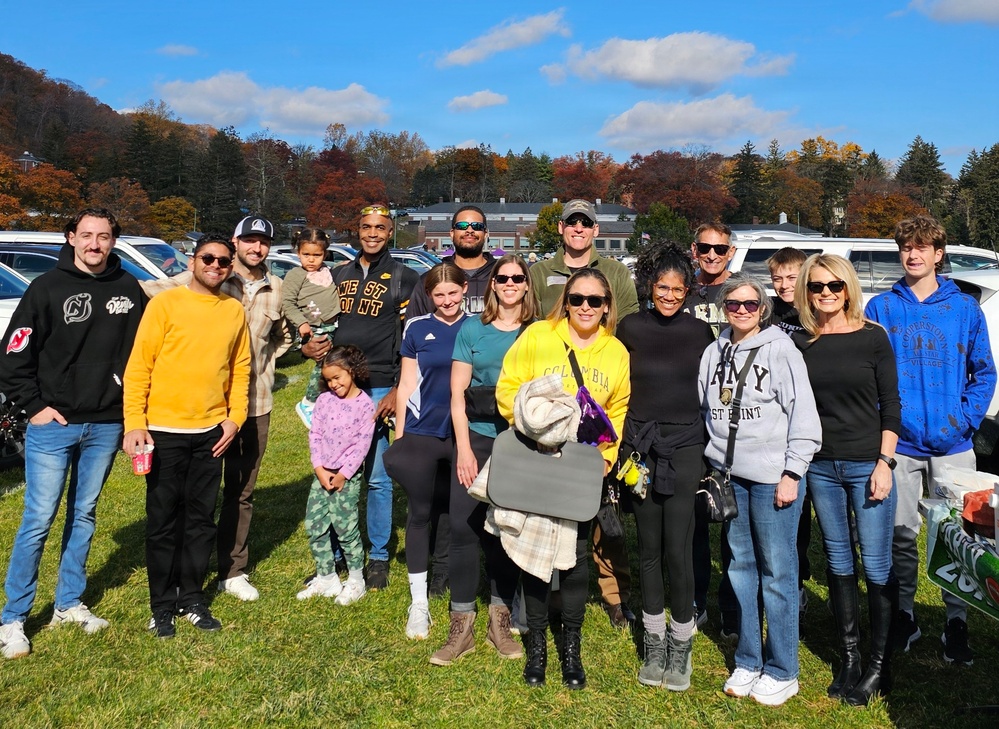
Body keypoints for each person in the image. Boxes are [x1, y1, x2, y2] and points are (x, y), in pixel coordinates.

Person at [0, 208, 145, 660]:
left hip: (105, 424)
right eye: (86, 236)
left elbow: (144, 354)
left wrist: (130, 415)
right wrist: (36, 408)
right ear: (71, 238)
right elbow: (12, 357)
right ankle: (13, 618)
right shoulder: (46, 288)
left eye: (104, 236)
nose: (95, 244)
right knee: (39, 520)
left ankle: (68, 603)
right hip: (54, 425)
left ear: (114, 242)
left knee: (84, 515)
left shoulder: (128, 289)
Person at [142, 215, 295, 603]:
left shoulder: (276, 289)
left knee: (240, 491)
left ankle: (232, 569)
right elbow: (149, 292)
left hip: (254, 403)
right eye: (248, 240)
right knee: (191, 494)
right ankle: (181, 570)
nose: (255, 248)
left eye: (263, 242)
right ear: (235, 242)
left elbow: (283, 336)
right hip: (205, 408)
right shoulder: (210, 271)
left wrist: (265, 363)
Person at [865, 215, 996, 666]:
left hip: (954, 445)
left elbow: (985, 373)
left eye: (922, 247)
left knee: (957, 535)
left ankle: (956, 620)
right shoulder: (882, 308)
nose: (913, 254)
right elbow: (868, 372)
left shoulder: (963, 309)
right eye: (905, 247)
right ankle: (904, 615)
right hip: (898, 447)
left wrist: (964, 419)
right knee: (901, 536)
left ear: (939, 254)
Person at [496, 268, 631, 689]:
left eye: (594, 300)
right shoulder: (539, 335)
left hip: (584, 466)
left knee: (573, 559)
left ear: (607, 305)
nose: (585, 307)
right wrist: (537, 429)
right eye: (577, 299)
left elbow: (621, 407)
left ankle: (570, 647)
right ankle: (537, 646)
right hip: (537, 457)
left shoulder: (616, 352)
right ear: (565, 301)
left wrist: (607, 455)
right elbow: (508, 389)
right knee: (534, 558)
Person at [699, 273, 820, 707]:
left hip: (773, 477)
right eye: (734, 304)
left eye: (751, 305)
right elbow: (706, 409)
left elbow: (803, 416)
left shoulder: (781, 349)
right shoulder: (713, 352)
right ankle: (749, 659)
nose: (742, 311)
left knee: (779, 572)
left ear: (763, 309)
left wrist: (793, 473)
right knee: (739, 569)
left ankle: (784, 668)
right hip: (730, 476)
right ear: (723, 307)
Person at [123, 233, 251, 639]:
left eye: (223, 262)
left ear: (231, 267)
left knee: (200, 521)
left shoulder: (233, 311)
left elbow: (241, 368)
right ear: (193, 261)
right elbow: (139, 367)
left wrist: (234, 418)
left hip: (211, 433)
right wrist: (134, 423)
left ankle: (192, 597)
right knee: (163, 522)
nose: (215, 266)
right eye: (208, 258)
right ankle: (161, 605)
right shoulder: (165, 304)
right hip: (163, 432)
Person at [793, 254, 902, 706]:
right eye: (817, 287)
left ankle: (881, 665)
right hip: (821, 466)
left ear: (848, 287)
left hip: (866, 463)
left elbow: (891, 405)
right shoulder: (803, 344)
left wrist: (885, 463)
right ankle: (851, 658)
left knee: (875, 564)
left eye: (835, 286)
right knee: (839, 563)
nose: (826, 294)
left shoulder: (873, 338)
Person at [528, 198, 638, 628]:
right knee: (553, 506)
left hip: (602, 398)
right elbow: (532, 326)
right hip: (553, 402)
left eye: (586, 223)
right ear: (560, 228)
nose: (578, 228)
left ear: (595, 229)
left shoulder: (614, 272)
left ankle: (614, 594)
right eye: (571, 221)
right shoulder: (541, 273)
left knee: (603, 508)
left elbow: (626, 327)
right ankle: (553, 591)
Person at [428, 255, 537, 666]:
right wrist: (465, 449)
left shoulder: (537, 332)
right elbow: (457, 394)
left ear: (527, 285)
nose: (509, 283)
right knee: (463, 526)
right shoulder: (472, 328)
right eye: (502, 277)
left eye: (517, 278)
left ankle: (499, 617)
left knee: (504, 531)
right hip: (475, 436)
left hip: (517, 443)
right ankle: (461, 626)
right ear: (492, 284)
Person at [616, 242, 713, 691]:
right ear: (650, 286)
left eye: (678, 289)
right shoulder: (630, 328)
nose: (669, 296)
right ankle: (653, 641)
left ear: (688, 290)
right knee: (648, 547)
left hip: (686, 446)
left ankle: (681, 643)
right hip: (640, 448)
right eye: (662, 287)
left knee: (679, 546)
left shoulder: (700, 335)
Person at [406, 205, 498, 599]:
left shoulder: (502, 272)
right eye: (462, 225)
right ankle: (442, 568)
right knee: (444, 493)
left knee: (484, 490)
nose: (469, 230)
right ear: (452, 232)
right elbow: (412, 344)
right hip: (435, 407)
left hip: (486, 406)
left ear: (486, 233)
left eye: (476, 225)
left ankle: (491, 575)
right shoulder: (432, 277)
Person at [330, 204, 420, 591]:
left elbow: (410, 340)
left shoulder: (405, 277)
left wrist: (399, 389)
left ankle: (378, 557)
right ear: (358, 230)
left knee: (379, 479)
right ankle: (337, 550)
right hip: (339, 388)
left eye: (380, 228)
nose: (372, 233)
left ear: (390, 232)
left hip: (382, 385)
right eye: (366, 226)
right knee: (337, 471)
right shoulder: (337, 274)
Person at [383, 264, 469, 640]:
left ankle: (452, 581)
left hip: (463, 434)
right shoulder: (417, 327)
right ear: (429, 296)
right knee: (419, 514)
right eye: (440, 295)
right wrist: (400, 437)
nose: (447, 301)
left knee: (459, 512)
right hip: (422, 430)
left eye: (453, 293)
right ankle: (419, 603)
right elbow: (406, 383)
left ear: (464, 290)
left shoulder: (477, 326)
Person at [684, 222, 738, 636]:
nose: (713, 255)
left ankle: (733, 606)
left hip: (735, 418)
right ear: (694, 249)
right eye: (706, 247)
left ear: (731, 252)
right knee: (697, 515)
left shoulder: (743, 293)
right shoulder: (682, 290)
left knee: (734, 519)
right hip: (690, 416)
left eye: (720, 249)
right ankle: (697, 598)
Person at [298, 345, 375, 606]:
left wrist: (343, 474)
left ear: (352, 372)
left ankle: (356, 580)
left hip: (346, 478)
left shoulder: (365, 405)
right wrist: (319, 468)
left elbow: (362, 445)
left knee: (345, 528)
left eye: (337, 377)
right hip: (321, 475)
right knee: (315, 525)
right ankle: (327, 577)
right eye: (328, 379)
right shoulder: (324, 401)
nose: (333, 384)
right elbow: (315, 434)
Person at [766, 247, 811, 622]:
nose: (783, 285)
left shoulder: (814, 314)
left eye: (791, 277)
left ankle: (798, 580)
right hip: (773, 424)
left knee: (803, 512)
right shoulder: (768, 314)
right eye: (778, 278)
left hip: (808, 421)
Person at [282, 227, 341, 428]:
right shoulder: (296, 275)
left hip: (334, 326)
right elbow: (287, 303)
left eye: (317, 255)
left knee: (337, 365)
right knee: (323, 365)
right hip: (314, 328)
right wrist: (302, 323)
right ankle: (309, 402)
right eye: (306, 254)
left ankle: (326, 401)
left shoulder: (329, 272)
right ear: (298, 253)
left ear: (324, 254)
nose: (311, 260)